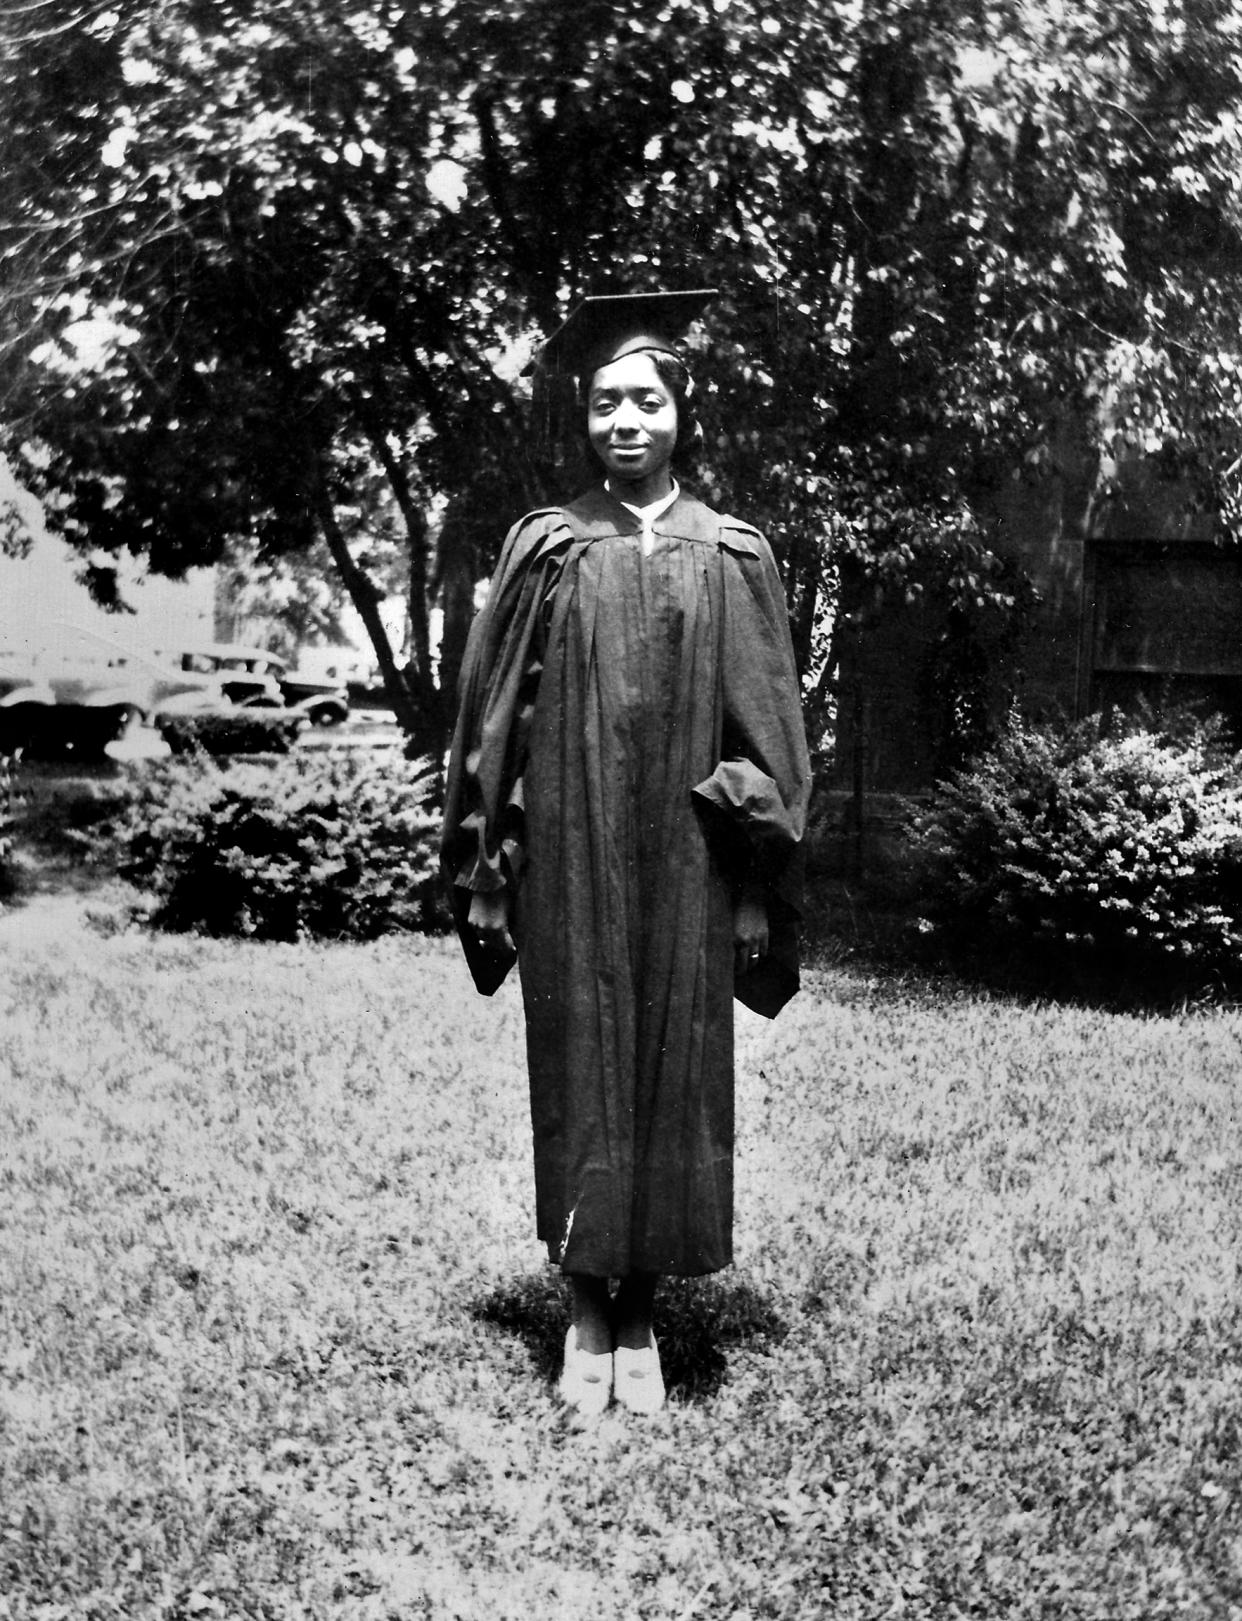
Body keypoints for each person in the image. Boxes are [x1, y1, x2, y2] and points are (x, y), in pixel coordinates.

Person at [441, 290, 811, 1415]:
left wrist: (754, 884)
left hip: (691, 863)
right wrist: (489, 873)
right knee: (581, 1066)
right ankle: (584, 1305)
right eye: (606, 402)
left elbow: (770, 734)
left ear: (682, 413)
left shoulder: (731, 554)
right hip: (568, 855)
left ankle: (641, 1303)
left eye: (647, 399)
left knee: (673, 1073)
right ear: (586, 416)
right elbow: (494, 724)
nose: (627, 420)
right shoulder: (551, 548)